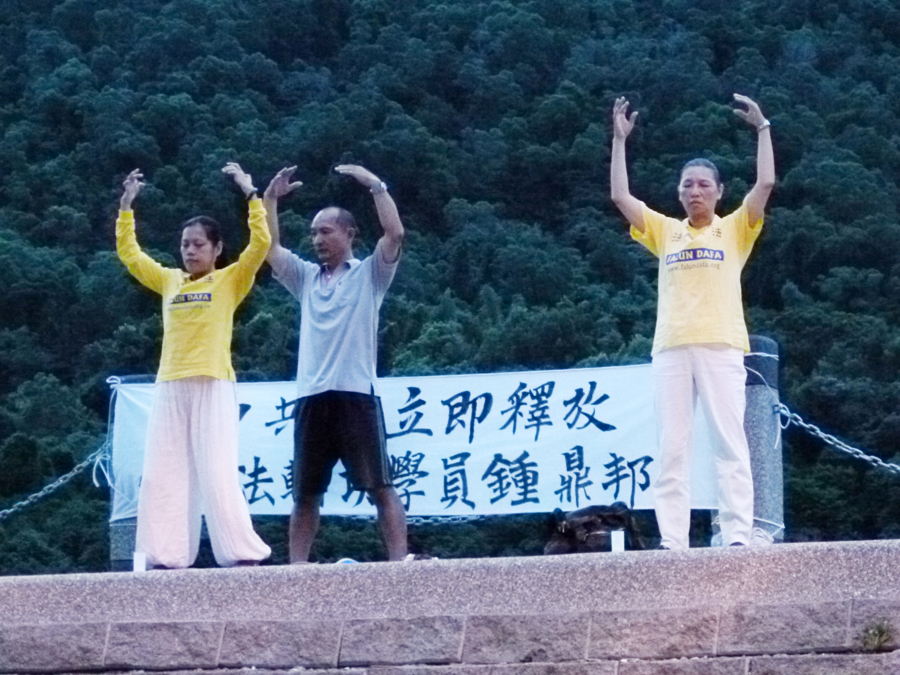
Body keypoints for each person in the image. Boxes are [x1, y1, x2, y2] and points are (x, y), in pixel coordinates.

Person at [610, 94, 775, 550]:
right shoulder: (667, 231)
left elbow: (765, 183)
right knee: (672, 449)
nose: (695, 191)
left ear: (719, 191)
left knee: (729, 444)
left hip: (721, 345)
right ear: (679, 192)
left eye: (704, 185)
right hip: (671, 348)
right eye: (687, 185)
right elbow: (620, 197)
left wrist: (763, 129)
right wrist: (620, 141)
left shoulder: (734, 228)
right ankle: (673, 541)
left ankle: (737, 535)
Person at [116, 163, 273, 568]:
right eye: (185, 244)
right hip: (171, 383)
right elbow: (131, 255)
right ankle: (165, 554)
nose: (190, 251)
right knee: (163, 472)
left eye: (199, 244)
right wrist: (127, 208)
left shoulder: (230, 280)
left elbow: (260, 245)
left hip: (213, 381)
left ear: (217, 249)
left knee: (216, 469)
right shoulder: (170, 280)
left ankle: (240, 553)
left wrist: (250, 193)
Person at [264, 163, 407, 563]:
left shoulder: (370, 274)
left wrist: (375, 184)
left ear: (349, 234)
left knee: (380, 485)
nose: (317, 239)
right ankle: (296, 570)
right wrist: (270, 198)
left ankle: (401, 565)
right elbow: (270, 248)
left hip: (355, 393)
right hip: (311, 395)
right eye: (313, 233)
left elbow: (395, 234)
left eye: (325, 231)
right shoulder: (306, 278)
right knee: (305, 493)